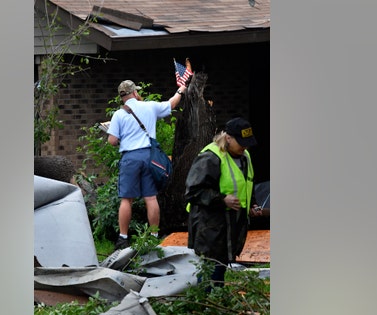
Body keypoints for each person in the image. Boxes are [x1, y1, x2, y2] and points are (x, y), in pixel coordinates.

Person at [184, 117, 264, 289]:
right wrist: (222, 199)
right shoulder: (210, 157)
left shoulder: (245, 156)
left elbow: (247, 183)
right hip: (209, 224)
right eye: (241, 142)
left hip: (229, 224)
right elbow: (193, 191)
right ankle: (206, 306)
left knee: (220, 267)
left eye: (247, 143)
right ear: (228, 138)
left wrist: (251, 204)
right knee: (210, 268)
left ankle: (216, 301)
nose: (245, 147)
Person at [107, 80, 187, 249]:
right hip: (149, 156)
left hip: (130, 158)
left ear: (122, 97)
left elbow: (112, 141)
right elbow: (171, 104)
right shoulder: (150, 106)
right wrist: (180, 91)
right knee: (150, 198)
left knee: (126, 199)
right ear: (135, 93)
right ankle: (153, 236)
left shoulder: (118, 115)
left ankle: (123, 238)